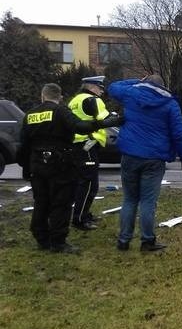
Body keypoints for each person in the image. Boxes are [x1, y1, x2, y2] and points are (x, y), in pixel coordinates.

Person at [17, 83, 122, 254]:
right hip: (60, 163)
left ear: (42, 96)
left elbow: (24, 144)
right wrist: (105, 123)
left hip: (37, 164)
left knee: (41, 202)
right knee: (61, 202)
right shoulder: (61, 111)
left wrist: (25, 167)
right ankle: (58, 241)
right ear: (59, 97)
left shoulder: (30, 115)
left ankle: (41, 238)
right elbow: (80, 127)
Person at [108, 74, 182, 252]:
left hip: (130, 155)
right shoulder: (169, 104)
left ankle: (124, 240)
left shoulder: (130, 94)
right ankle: (147, 241)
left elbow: (112, 86)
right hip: (154, 158)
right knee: (148, 201)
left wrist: (137, 81)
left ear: (145, 83)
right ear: (163, 86)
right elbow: (179, 134)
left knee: (129, 199)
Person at [68, 76, 110, 230]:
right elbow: (105, 120)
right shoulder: (93, 100)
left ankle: (83, 214)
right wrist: (120, 118)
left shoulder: (74, 101)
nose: (101, 91)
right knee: (90, 184)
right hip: (88, 145)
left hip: (76, 146)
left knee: (80, 183)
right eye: (100, 88)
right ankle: (79, 219)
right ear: (92, 87)